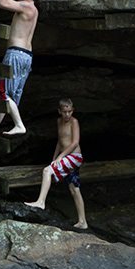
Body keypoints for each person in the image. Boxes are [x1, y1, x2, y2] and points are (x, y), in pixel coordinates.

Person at [24, 98, 88, 229]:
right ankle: (83, 222)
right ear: (59, 111)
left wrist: (60, 157)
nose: (67, 115)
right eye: (64, 112)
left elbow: (75, 142)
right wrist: (54, 159)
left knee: (47, 171)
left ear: (73, 111)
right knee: (74, 188)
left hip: (74, 157)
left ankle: (41, 202)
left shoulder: (74, 122)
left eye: (70, 111)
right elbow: (60, 141)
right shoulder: (59, 122)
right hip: (65, 158)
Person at [0, 0, 39, 137]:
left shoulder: (26, 7)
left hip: (16, 55)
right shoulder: (34, 9)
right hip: (26, 56)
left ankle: (19, 125)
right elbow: (9, 0)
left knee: (3, 91)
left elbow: (3, 3)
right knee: (10, 95)